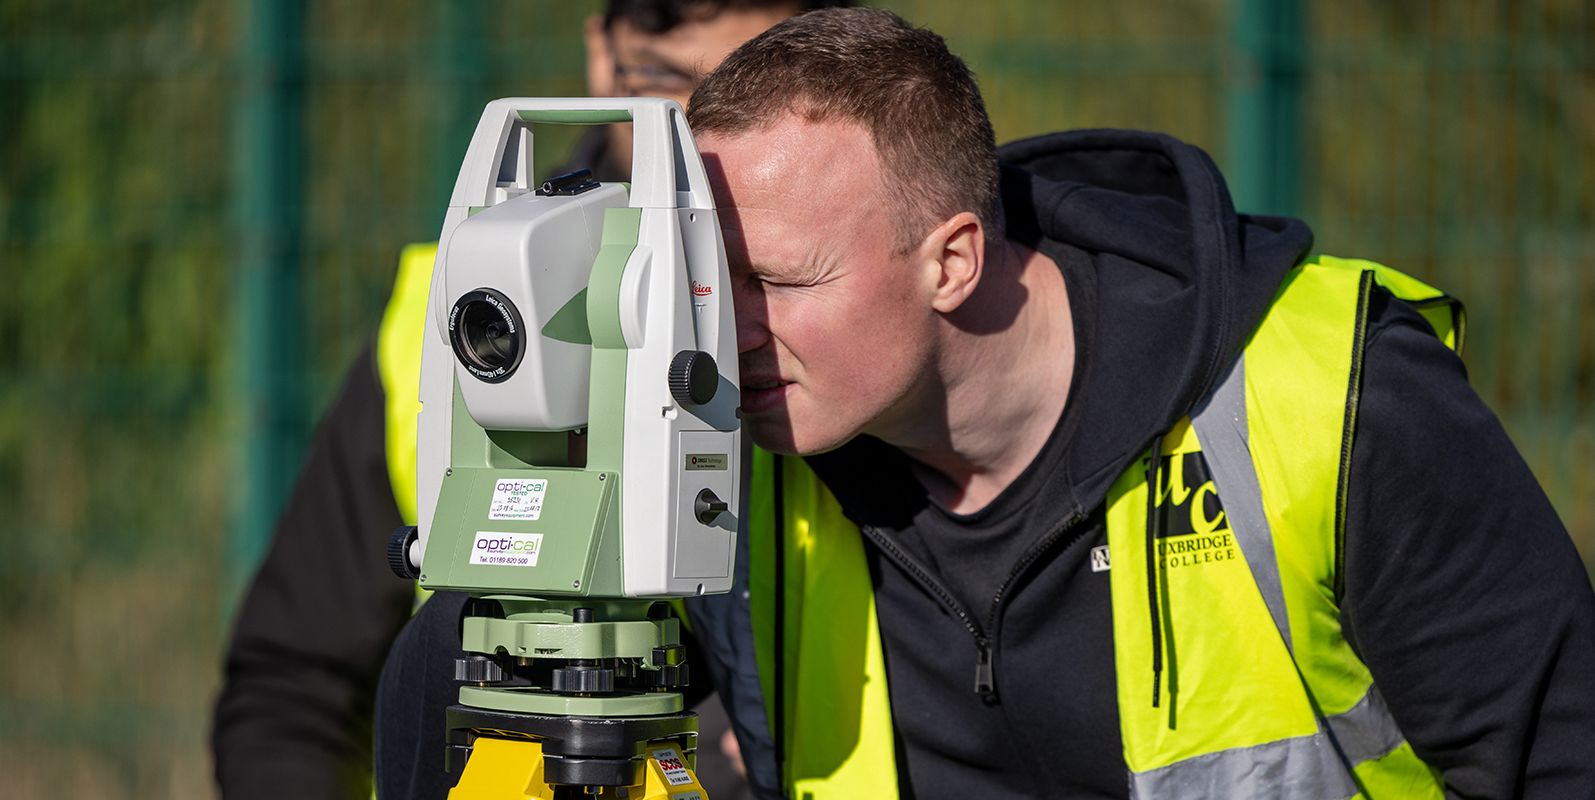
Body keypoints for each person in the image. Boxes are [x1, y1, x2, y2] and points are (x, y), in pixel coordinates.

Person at [373, 7, 1595, 800]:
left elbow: (1561, 753)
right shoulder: (739, 441)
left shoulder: (1326, 397)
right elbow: (486, 689)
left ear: (951, 259)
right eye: (704, 284)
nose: (722, 330)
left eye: (778, 283)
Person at [210, 3, 846, 798]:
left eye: (748, 84)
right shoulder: (441, 325)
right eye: (660, 76)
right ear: (599, 52)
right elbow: (290, 694)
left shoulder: (862, 343)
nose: (694, 124)